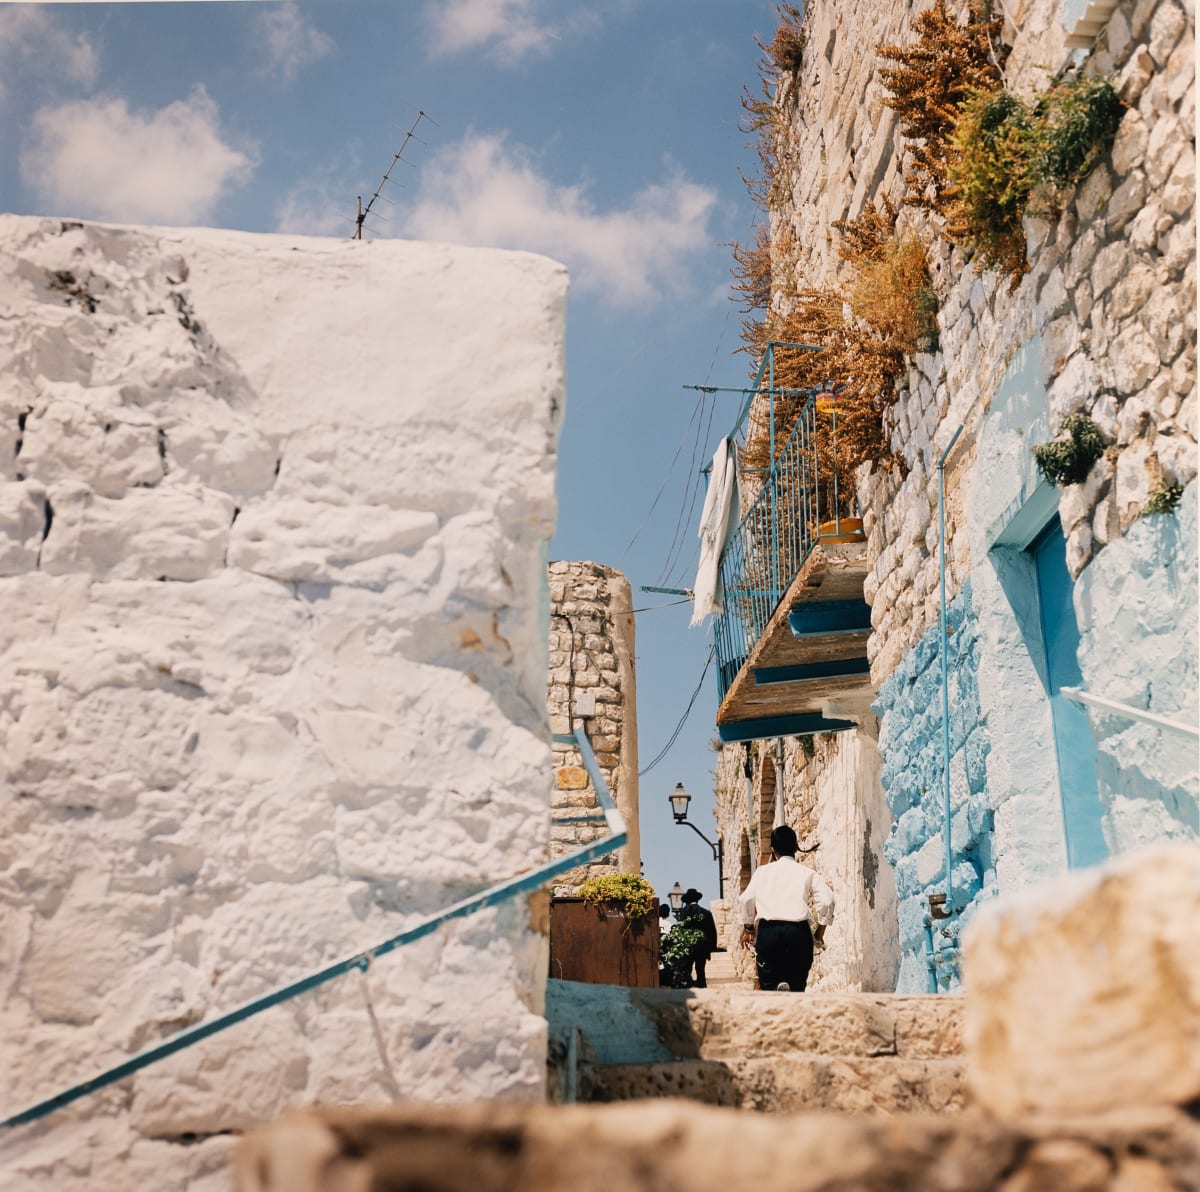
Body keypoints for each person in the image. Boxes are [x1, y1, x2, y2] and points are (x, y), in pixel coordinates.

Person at [738, 825, 834, 992]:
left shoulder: (762, 872)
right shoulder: (807, 873)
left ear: (773, 849)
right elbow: (826, 901)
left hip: (769, 933)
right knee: (797, 987)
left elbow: (746, 899)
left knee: (769, 987)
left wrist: (748, 928)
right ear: (796, 847)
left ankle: (776, 991)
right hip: (798, 933)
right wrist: (819, 933)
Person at [677, 888, 719, 988]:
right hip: (702, 946)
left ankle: (686, 988)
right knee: (700, 969)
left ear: (687, 900)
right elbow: (712, 932)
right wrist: (711, 947)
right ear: (698, 899)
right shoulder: (706, 913)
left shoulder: (683, 913)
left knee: (687, 969)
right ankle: (702, 986)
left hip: (688, 945)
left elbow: (681, 929)